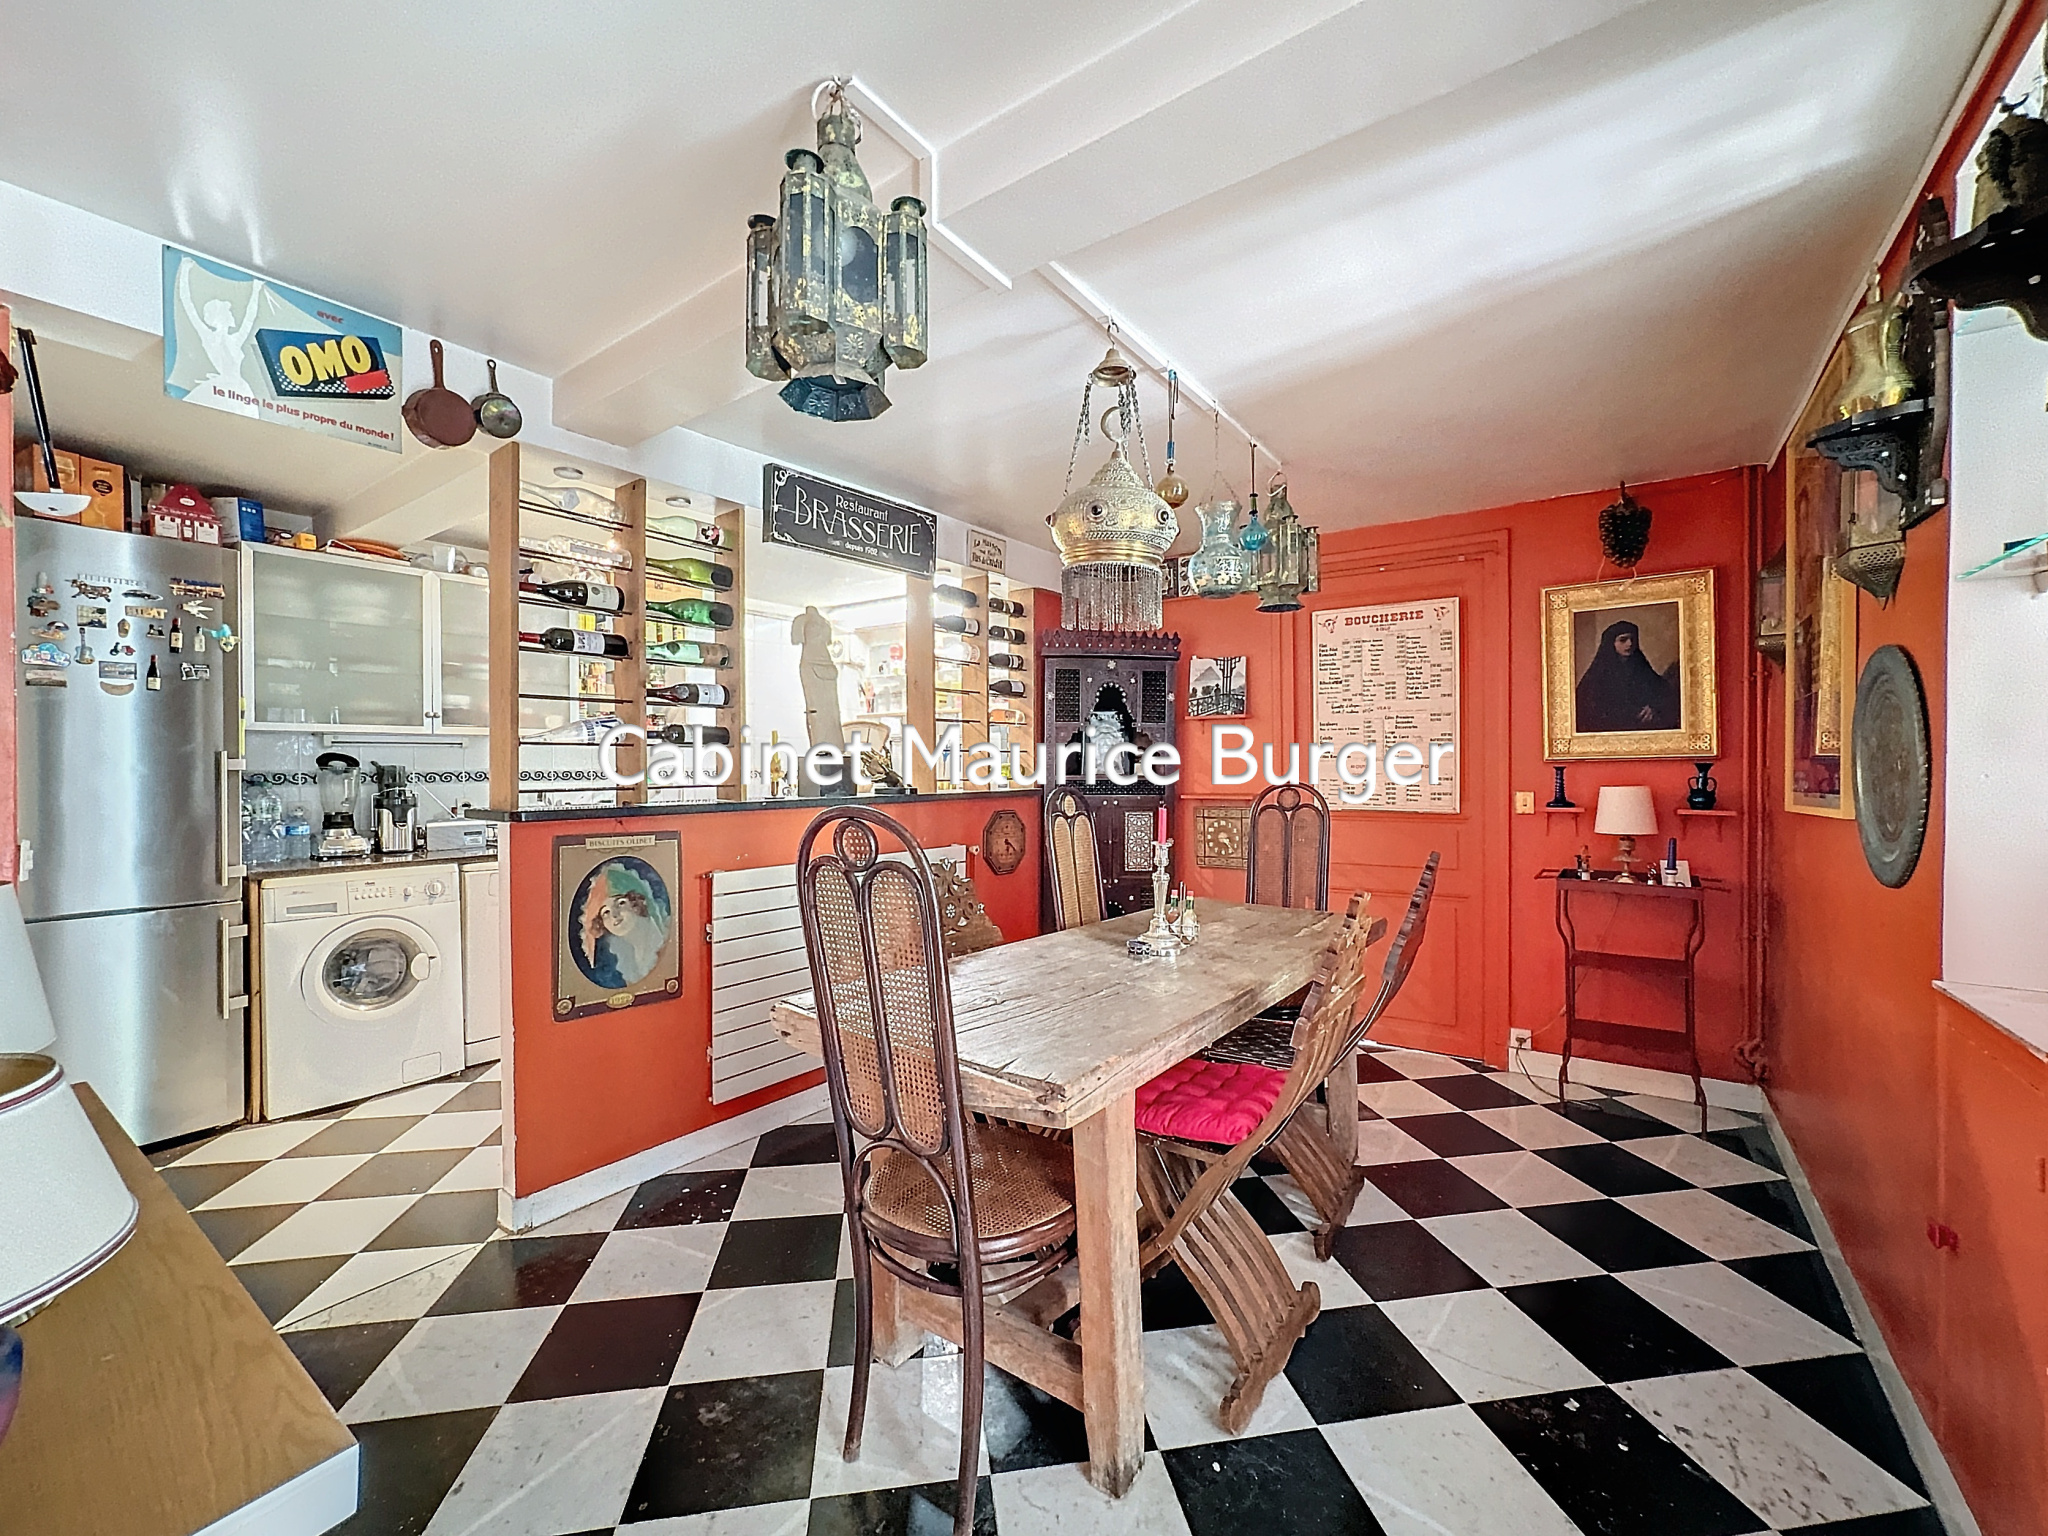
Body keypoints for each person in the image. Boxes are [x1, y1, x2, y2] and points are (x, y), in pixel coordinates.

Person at [1576, 618, 1679, 732]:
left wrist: (1654, 707)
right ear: (1612, 643)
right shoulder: (1598, 674)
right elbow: (1585, 708)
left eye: (1632, 639)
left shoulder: (1641, 667)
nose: (1629, 644)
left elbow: (1664, 691)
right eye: (1623, 640)